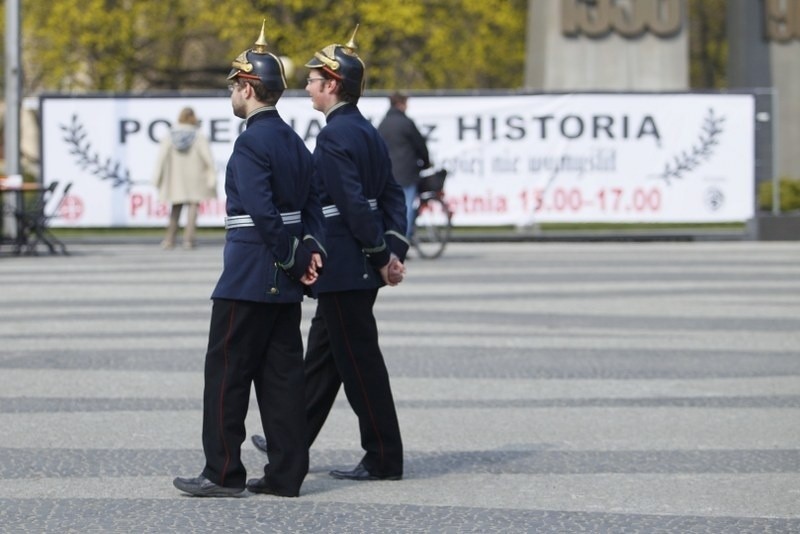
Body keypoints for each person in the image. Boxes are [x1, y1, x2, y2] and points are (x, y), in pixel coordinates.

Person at [173, 20, 325, 498]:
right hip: (284, 280)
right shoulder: (295, 142)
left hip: (248, 276)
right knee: (282, 378)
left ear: (249, 88)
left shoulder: (250, 142)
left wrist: (291, 258)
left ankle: (222, 472)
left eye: (235, 86)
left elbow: (260, 212)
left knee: (226, 374)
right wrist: (309, 253)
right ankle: (285, 475)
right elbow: (315, 205)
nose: (232, 94)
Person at [250, 25, 408, 481]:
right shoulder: (366, 130)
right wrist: (394, 248)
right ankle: (291, 435)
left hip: (346, 266)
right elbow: (393, 197)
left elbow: (355, 207)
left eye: (314, 79)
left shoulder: (336, 137)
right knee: (322, 359)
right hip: (357, 267)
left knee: (360, 367)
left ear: (333, 84)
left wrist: (381, 256)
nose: (307, 86)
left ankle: (382, 455)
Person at [152, 106, 217, 250]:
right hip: (195, 177)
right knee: (193, 208)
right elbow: (208, 158)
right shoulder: (198, 135)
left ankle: (169, 240)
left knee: (175, 208)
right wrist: (212, 176)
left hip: (176, 178)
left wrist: (157, 178)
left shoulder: (169, 135)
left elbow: (161, 158)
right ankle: (189, 240)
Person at [377, 92, 431, 237]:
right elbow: (421, 146)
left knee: (390, 209)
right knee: (406, 208)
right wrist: (426, 164)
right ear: (401, 104)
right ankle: (403, 243)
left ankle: (390, 241)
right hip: (406, 174)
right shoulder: (406, 123)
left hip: (387, 174)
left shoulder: (383, 124)